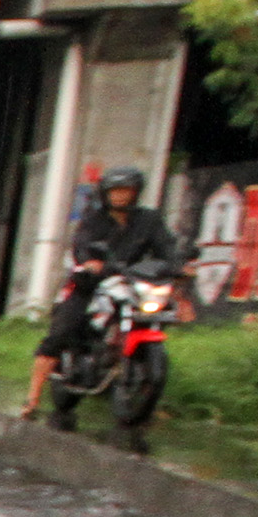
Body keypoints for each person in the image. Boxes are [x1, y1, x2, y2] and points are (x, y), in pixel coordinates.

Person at [21, 166, 193, 420]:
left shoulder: (149, 220)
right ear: (105, 193)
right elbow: (81, 245)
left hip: (130, 282)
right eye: (116, 190)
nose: (121, 196)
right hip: (90, 283)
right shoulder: (94, 219)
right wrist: (90, 262)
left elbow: (166, 248)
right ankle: (32, 398)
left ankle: (142, 392)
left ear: (136, 193)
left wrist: (180, 268)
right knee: (62, 331)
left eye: (127, 190)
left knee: (156, 313)